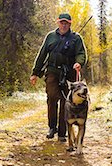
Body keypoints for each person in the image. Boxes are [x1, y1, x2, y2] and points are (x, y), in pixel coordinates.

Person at [30, 12, 87, 141]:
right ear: (58, 22)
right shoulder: (50, 37)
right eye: (62, 22)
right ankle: (52, 127)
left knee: (65, 101)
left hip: (69, 73)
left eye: (66, 22)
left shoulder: (76, 38)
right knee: (51, 97)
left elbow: (81, 53)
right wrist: (35, 73)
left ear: (70, 24)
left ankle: (62, 132)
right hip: (52, 71)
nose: (64, 25)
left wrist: (79, 62)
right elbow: (42, 55)